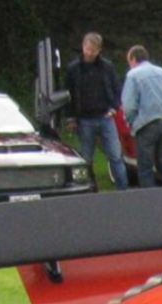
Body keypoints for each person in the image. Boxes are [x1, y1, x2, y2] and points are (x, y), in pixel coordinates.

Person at [64, 32, 127, 190]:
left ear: (99, 50)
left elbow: (117, 89)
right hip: (84, 118)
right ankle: (90, 189)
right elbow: (68, 94)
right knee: (86, 157)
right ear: (83, 47)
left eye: (93, 50)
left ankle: (123, 190)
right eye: (87, 48)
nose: (89, 52)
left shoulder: (107, 67)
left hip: (105, 116)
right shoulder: (73, 69)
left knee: (115, 155)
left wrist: (114, 108)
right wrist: (70, 118)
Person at [121, 44, 162, 186]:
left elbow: (128, 105)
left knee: (145, 169)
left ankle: (150, 202)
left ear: (133, 59)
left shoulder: (133, 75)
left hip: (145, 125)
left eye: (129, 62)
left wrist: (131, 123)